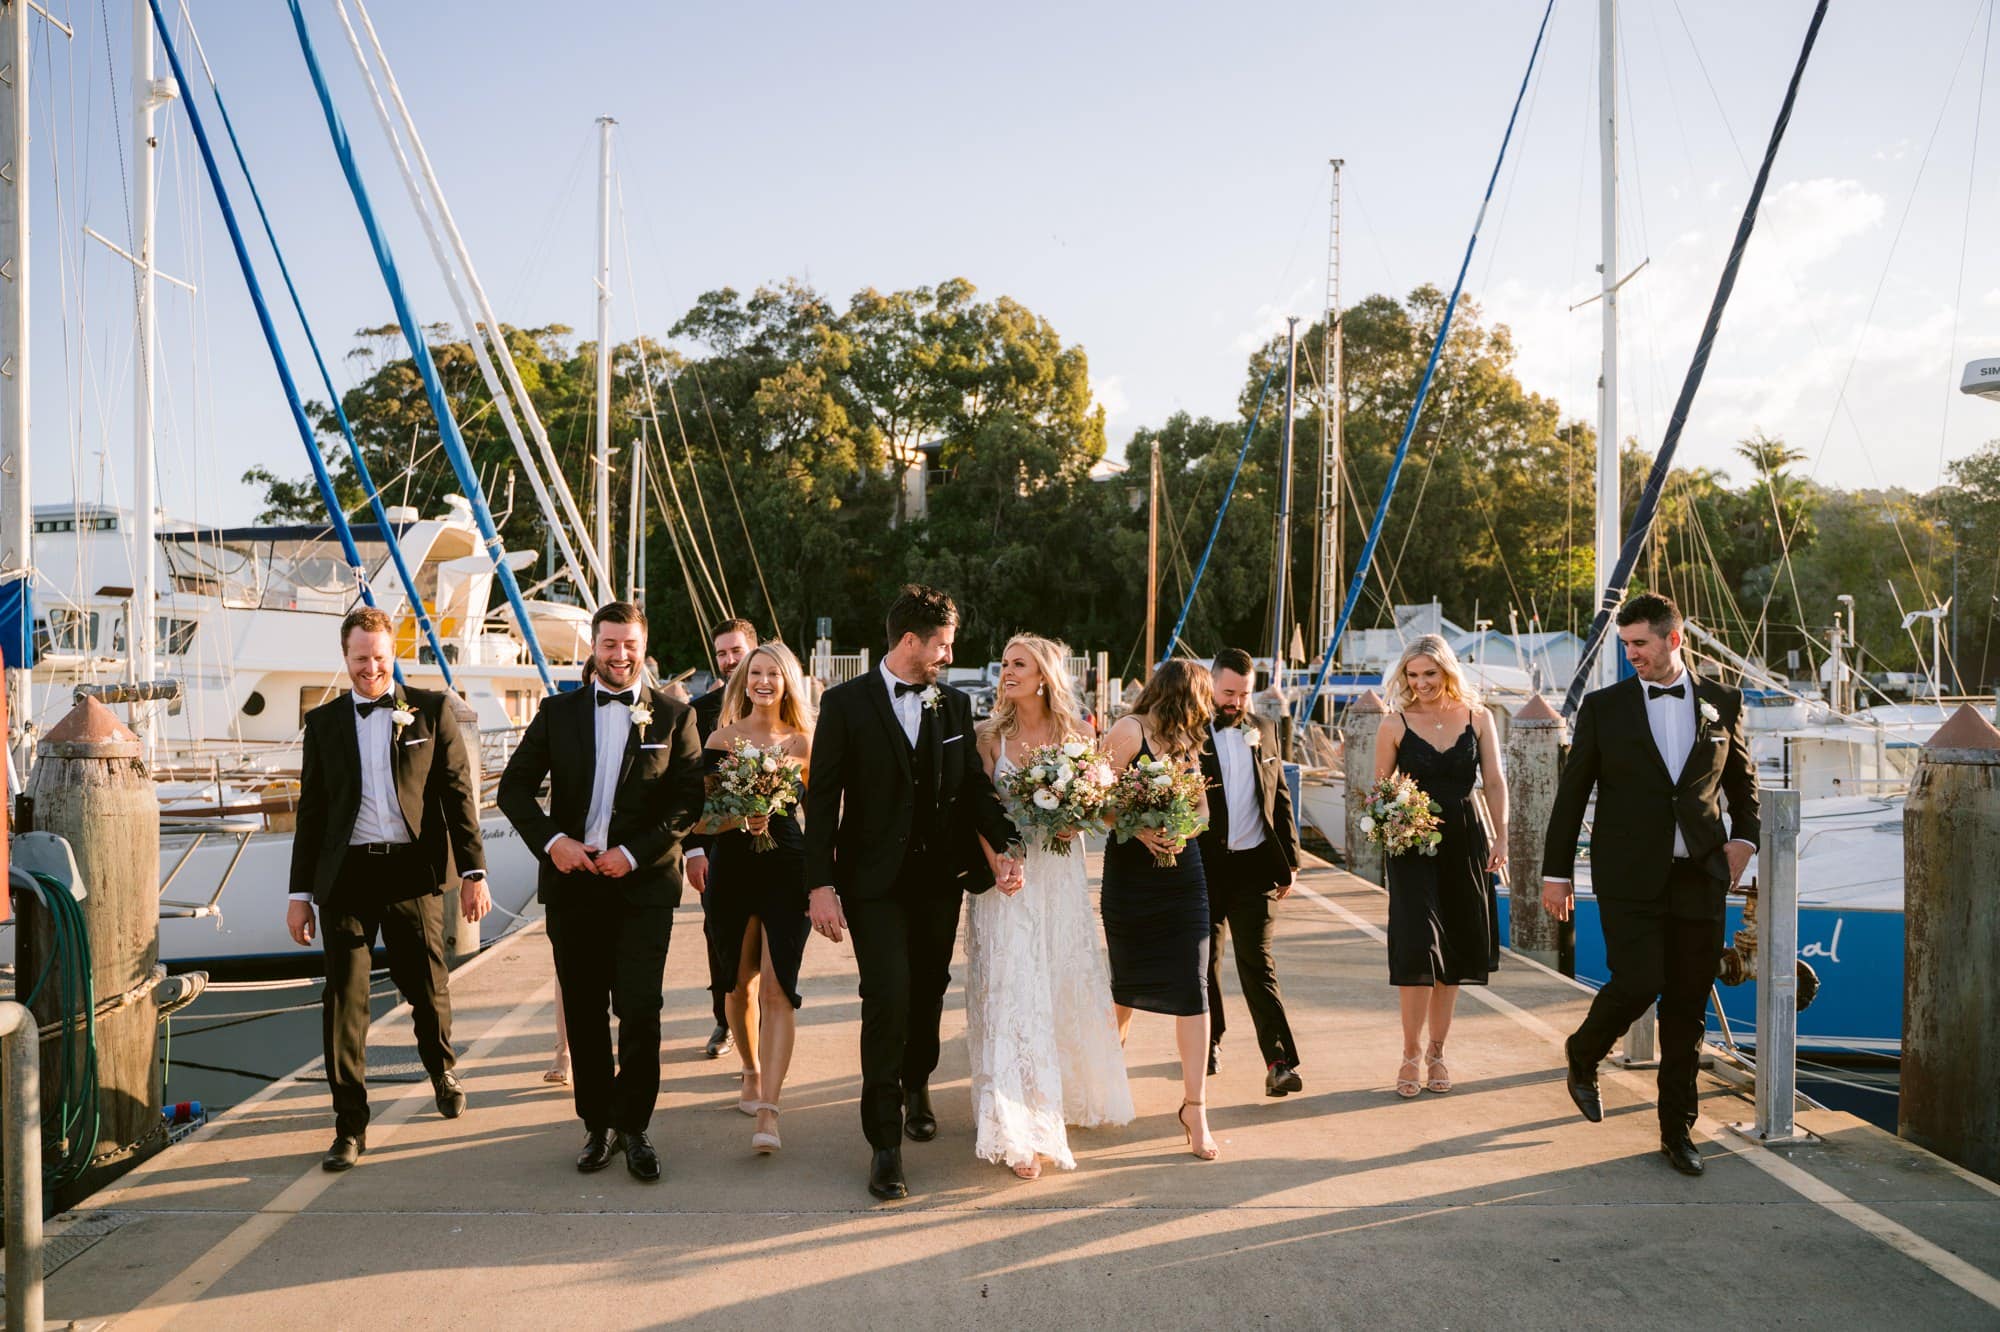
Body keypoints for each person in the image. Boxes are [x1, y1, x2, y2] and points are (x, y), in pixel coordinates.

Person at [804, 585, 1021, 1201]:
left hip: (938, 881)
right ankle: (884, 1145)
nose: (948, 656)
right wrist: (820, 883)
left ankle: (918, 1081)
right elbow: (821, 801)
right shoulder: (844, 704)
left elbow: (975, 788)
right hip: (871, 885)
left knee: (929, 992)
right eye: (943, 646)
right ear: (909, 642)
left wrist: (1004, 842)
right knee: (887, 999)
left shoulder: (952, 705)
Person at [1542, 593, 1758, 1177]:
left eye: (1641, 643)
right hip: (1628, 875)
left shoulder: (1723, 701)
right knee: (1640, 979)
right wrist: (1555, 873)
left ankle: (1676, 1132)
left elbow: (1743, 786)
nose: (1632, 654)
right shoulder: (1605, 708)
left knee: (1688, 1007)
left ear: (1673, 639)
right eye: (1626, 644)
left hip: (1701, 876)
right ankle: (1583, 1052)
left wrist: (1747, 839)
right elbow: (1570, 797)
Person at [497, 602, 704, 1183]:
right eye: (610, 645)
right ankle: (597, 1126)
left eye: (629, 645)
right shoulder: (557, 712)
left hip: (643, 889)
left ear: (643, 644)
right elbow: (513, 790)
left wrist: (634, 853)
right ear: (594, 646)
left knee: (640, 1009)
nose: (620, 656)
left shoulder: (672, 718)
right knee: (584, 1012)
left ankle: (636, 1128)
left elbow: (688, 801)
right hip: (573, 885)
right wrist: (554, 842)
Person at [288, 606, 491, 1173]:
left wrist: (473, 873)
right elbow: (312, 813)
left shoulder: (429, 711)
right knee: (344, 1003)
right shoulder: (323, 724)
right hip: (346, 878)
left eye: (379, 657)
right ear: (345, 658)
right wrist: (299, 893)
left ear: (391, 654)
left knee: (426, 986)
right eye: (360, 659)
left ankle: (440, 1067)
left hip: (410, 872)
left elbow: (457, 796)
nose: (370, 668)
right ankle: (349, 1124)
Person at [968, 635, 1133, 1180]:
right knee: (1015, 990)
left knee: (1058, 985)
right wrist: (997, 862)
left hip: (1059, 874)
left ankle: (1057, 1096)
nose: (1007, 672)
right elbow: (978, 810)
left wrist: (1076, 817)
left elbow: (1104, 811)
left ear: (1044, 676)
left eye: (1020, 665)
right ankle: (1023, 1129)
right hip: (1009, 879)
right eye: (1005, 664)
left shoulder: (1077, 734)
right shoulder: (989, 737)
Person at [1374, 634, 1508, 1099]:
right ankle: (1409, 1053)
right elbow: (1379, 794)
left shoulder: (1478, 718)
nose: (1421, 683)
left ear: (1447, 671)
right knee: (1416, 946)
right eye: (1412, 675)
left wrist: (1502, 835)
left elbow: (1493, 780)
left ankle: (1437, 1051)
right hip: (1410, 845)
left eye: (1429, 673)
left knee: (1453, 947)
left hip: (1465, 838)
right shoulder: (1394, 723)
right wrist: (1396, 822)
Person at [1101, 659, 1219, 1162]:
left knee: (1195, 985)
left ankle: (1196, 1108)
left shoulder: (1190, 741)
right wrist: (1138, 828)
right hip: (1131, 878)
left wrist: (1182, 830)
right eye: (1204, 698)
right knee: (1124, 986)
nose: (1208, 708)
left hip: (1183, 877)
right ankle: (1104, 1079)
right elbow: (1092, 800)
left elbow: (1203, 812)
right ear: (1183, 695)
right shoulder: (1129, 732)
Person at [699, 641, 814, 1154]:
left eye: (773, 674)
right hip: (732, 866)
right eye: (755, 673)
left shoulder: (805, 744)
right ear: (743, 680)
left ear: (788, 682)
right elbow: (700, 817)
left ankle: (769, 1108)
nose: (762, 682)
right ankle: (747, 1067)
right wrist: (737, 818)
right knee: (738, 982)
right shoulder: (722, 739)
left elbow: (825, 813)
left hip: (787, 865)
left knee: (777, 987)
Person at [1199, 648, 1303, 1096]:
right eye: (1228, 692)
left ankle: (1278, 1061)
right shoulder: (1189, 733)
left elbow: (1279, 798)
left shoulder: (1265, 730)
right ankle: (1208, 1043)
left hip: (1256, 865)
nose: (1236, 702)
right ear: (1210, 685)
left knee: (1257, 964)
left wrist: (1292, 862)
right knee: (1205, 961)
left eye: (1244, 694)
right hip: (1203, 868)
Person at [689, 618, 758, 1061]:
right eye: (722, 653)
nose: (730, 660)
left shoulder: (783, 708)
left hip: (774, 845)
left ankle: (765, 1029)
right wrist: (693, 849)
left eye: (737, 651)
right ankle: (725, 1020)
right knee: (720, 937)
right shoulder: (698, 713)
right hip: (715, 848)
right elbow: (687, 786)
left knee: (772, 943)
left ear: (755, 651)